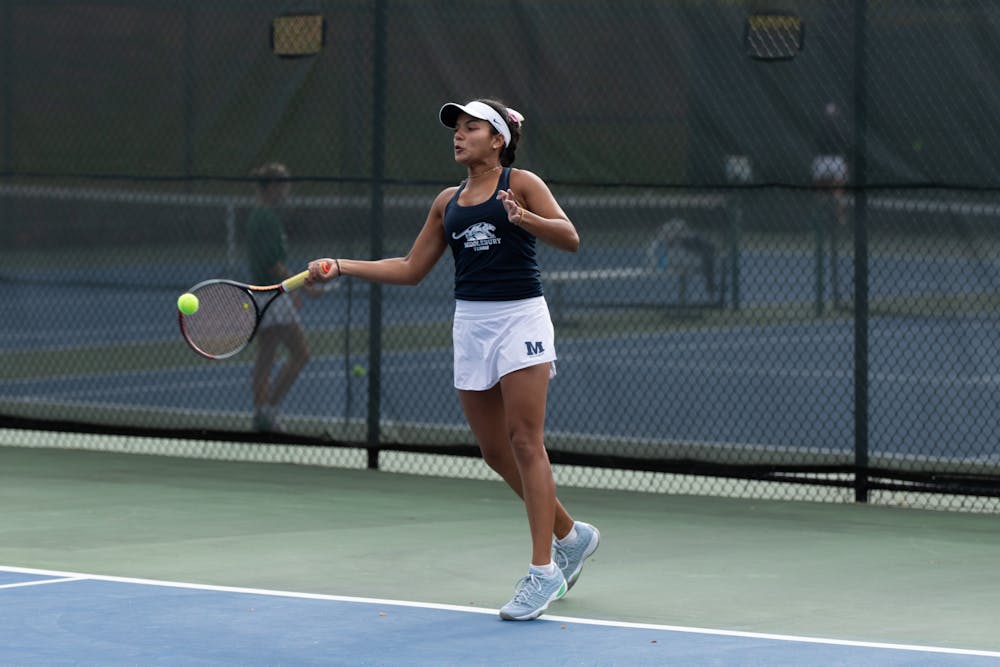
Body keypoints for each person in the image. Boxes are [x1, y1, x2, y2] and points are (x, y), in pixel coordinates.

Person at [306, 99, 600, 621]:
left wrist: (524, 216)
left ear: (498, 140)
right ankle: (570, 536)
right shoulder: (448, 201)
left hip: (521, 319)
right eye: (456, 129)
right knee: (493, 450)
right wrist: (342, 266)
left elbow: (571, 238)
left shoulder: (522, 182)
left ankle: (543, 572)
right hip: (471, 324)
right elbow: (410, 267)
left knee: (525, 440)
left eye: (471, 128)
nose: (459, 136)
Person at [245, 162, 318, 432]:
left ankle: (263, 415)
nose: (287, 189)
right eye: (284, 183)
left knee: (267, 356)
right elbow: (274, 264)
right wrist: (302, 287)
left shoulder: (261, 217)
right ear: (273, 187)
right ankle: (268, 411)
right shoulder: (265, 219)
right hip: (272, 297)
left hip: (268, 296)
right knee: (300, 353)